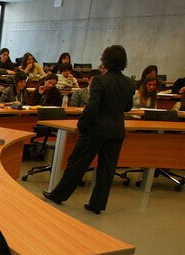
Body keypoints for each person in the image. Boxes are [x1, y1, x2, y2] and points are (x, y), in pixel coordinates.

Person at [42, 45, 135, 214]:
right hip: (116, 131)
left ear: (105, 60)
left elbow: (91, 108)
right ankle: (97, 204)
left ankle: (59, 195)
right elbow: (128, 107)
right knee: (107, 169)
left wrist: (81, 125)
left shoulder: (100, 80)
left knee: (77, 164)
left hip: (95, 130)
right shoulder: (129, 82)